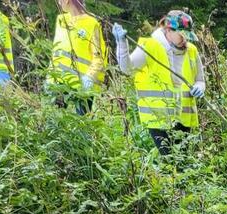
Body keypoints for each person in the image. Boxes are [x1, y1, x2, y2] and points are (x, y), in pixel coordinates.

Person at [112, 10, 205, 155]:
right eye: (181, 35)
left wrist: (200, 87)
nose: (185, 40)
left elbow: (200, 79)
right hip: (158, 118)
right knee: (168, 159)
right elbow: (127, 69)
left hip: (184, 118)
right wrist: (121, 44)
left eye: (187, 36)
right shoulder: (150, 47)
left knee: (183, 160)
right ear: (168, 29)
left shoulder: (192, 50)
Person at [46, 0, 107, 114]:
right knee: (57, 124)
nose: (59, 3)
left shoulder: (91, 23)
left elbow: (98, 58)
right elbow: (56, 53)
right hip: (59, 84)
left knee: (83, 126)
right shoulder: (61, 20)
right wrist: (50, 77)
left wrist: (89, 77)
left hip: (82, 87)